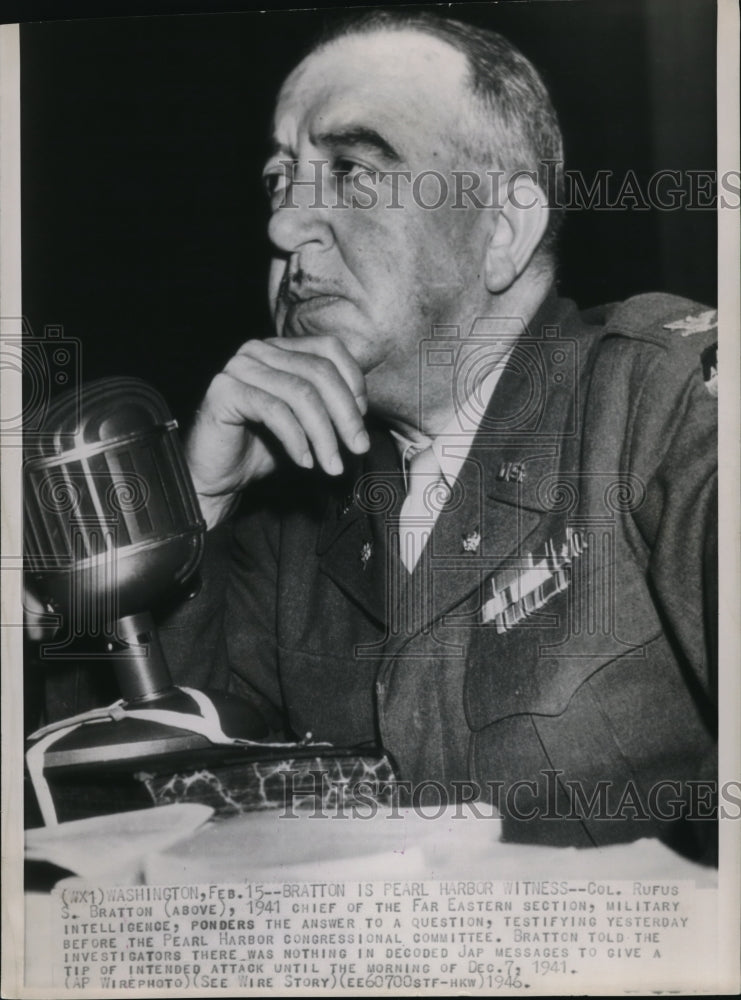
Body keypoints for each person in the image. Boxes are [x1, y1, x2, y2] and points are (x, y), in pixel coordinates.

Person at [158, 10, 717, 859]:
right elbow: (161, 810)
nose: (281, 229)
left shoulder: (663, 402)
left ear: (502, 229)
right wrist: (194, 507)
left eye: (350, 170)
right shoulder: (294, 521)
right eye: (280, 183)